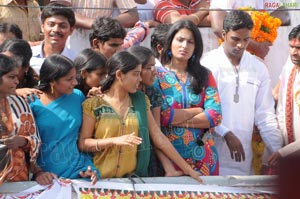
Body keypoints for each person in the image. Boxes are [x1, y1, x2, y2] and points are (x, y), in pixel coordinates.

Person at [78, 51, 203, 182]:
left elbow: (158, 137)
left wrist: (188, 169)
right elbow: (83, 143)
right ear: (119, 75)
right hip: (99, 183)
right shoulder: (93, 104)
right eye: (135, 74)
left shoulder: (141, 101)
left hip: (132, 183)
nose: (140, 79)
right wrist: (114, 141)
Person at [201, 10, 282, 175]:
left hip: (243, 160)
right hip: (211, 156)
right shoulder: (208, 64)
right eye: (235, 39)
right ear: (224, 34)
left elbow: (265, 115)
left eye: (246, 40)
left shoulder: (258, 68)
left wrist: (278, 150)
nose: (240, 45)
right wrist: (225, 133)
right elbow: (202, 109)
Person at [152, 19, 222, 176]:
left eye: (190, 42)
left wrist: (176, 120)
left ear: (196, 47)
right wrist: (197, 111)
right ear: (170, 42)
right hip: (170, 160)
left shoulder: (205, 75)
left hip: (204, 157)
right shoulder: (156, 76)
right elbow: (161, 117)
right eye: (180, 40)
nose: (185, 46)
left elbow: (215, 116)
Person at [28, 54, 99, 185]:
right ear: (52, 81)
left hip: (80, 172)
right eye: (69, 79)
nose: (75, 83)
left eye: (75, 77)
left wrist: (87, 168)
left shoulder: (78, 97)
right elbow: (27, 145)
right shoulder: (32, 102)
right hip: (46, 177)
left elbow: (84, 137)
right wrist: (38, 172)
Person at [0, 54, 41, 185]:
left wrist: (23, 141)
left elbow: (35, 139)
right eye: (11, 77)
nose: (17, 82)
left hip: (18, 180)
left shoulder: (20, 103)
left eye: (16, 77)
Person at [48, 0, 139, 54]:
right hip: (74, 38)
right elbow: (60, 9)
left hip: (103, 39)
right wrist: (97, 24)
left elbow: (132, 15)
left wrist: (105, 25)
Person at [268, 24, 300, 166]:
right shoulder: (289, 68)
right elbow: (281, 109)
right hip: (289, 156)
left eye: (299, 48)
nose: (294, 52)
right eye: (291, 47)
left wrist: (284, 152)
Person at [30, 3, 76, 75]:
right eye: (51, 25)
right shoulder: (29, 56)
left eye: (62, 26)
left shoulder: (75, 60)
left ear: (71, 30)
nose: (56, 30)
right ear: (42, 27)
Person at [89, 17, 155, 59]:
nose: (119, 50)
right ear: (96, 43)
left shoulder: (125, 46)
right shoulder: (84, 68)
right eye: (113, 45)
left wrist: (147, 24)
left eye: (121, 45)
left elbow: (136, 34)